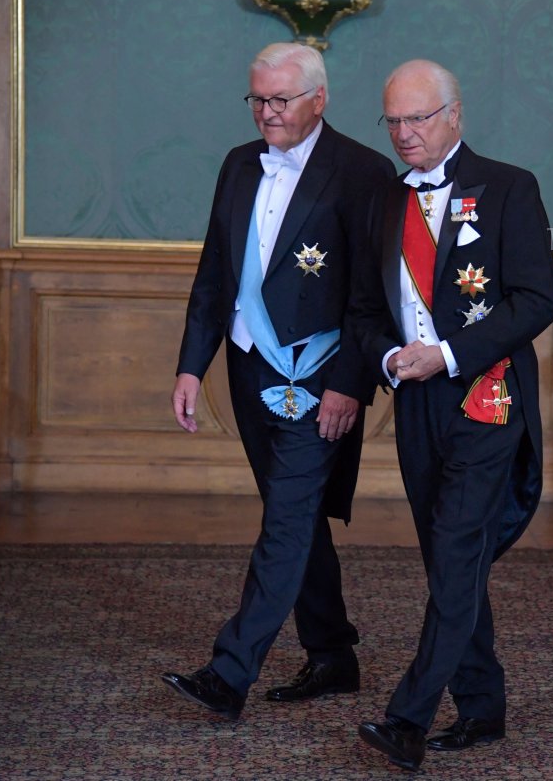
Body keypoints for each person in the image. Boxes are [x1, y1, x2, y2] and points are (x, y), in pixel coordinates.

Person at [160, 43, 395, 720]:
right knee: (294, 516)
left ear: (319, 99)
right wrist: (189, 366)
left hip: (319, 374)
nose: (266, 113)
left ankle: (229, 673)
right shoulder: (239, 164)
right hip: (247, 365)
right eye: (257, 100)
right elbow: (215, 276)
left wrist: (351, 383)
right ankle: (332, 653)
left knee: (288, 519)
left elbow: (370, 295)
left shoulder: (362, 171)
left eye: (280, 100)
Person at [349, 59, 553, 772]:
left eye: (419, 118)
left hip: (484, 396)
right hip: (415, 402)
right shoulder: (383, 200)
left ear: (454, 116)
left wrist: (447, 353)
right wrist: (387, 359)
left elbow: (535, 301)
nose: (405, 134)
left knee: (459, 549)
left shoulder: (508, 188)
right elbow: (364, 310)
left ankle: (408, 718)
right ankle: (482, 704)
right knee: (450, 561)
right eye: (394, 121)